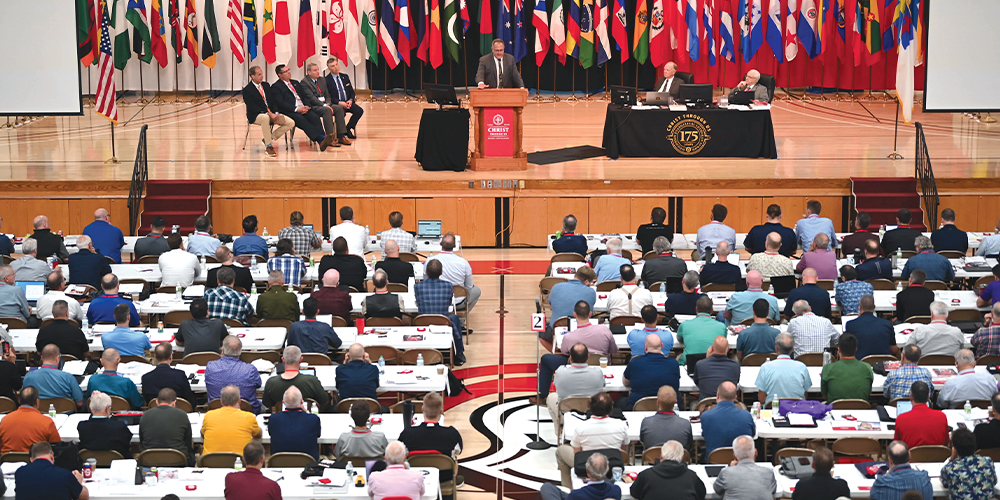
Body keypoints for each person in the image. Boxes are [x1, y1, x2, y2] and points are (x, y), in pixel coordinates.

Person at [536, 301, 618, 404]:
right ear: (590, 313)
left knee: (546, 359)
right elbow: (614, 351)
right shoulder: (605, 330)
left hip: (576, 364)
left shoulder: (569, 337)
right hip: (601, 365)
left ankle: (543, 395)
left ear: (575, 314)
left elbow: (564, 352)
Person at [554, 393, 626, 487]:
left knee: (561, 451)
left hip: (587, 464)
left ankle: (569, 489)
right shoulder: (621, 425)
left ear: (590, 407)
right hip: (613, 463)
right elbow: (624, 451)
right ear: (611, 409)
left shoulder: (581, 428)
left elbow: (577, 453)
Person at [397, 392, 463, 481]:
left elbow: (399, 454)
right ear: (441, 411)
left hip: (414, 476)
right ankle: (454, 481)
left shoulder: (407, 433)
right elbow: (458, 451)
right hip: (443, 477)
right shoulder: (452, 434)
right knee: (454, 458)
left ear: (422, 409)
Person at [268, 64, 331, 149]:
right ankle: (320, 139)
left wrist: (307, 106)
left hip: (303, 108)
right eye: (286, 71)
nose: (289, 72)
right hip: (290, 111)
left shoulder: (295, 83)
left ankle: (323, 138)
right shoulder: (276, 87)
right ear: (280, 75)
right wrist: (297, 109)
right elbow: (281, 103)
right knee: (301, 119)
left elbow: (305, 97)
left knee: (314, 117)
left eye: (289, 70)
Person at [544, 343, 605, 430]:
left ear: (571, 358)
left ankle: (560, 433)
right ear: (588, 357)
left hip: (566, 413)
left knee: (551, 397)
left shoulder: (560, 372)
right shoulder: (597, 372)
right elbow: (603, 385)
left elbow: (555, 384)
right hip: (593, 413)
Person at [241, 65, 294, 157]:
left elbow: (272, 101)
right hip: (256, 114)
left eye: (262, 74)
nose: (262, 76)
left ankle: (268, 138)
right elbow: (252, 107)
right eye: (259, 74)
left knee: (290, 122)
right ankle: (269, 146)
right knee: (265, 118)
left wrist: (276, 112)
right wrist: (268, 113)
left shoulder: (266, 85)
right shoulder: (247, 90)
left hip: (271, 113)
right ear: (252, 76)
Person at [544, 266, 597, 351]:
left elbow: (550, 303)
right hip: (582, 328)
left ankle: (559, 352)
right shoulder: (590, 292)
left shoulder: (556, 287)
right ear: (586, 281)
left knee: (541, 333)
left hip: (557, 326)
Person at [629, 440, 705, 500]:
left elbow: (634, 493)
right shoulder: (692, 477)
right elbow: (701, 494)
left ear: (661, 456)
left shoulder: (646, 475)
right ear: (682, 458)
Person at [205, 336, 263, 413]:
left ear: (222, 351)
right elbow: (258, 384)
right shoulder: (250, 370)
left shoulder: (211, 367)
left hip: (217, 412)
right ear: (240, 352)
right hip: (247, 413)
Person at [300, 61, 351, 147]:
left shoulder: (322, 80)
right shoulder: (304, 82)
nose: (318, 72)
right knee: (327, 110)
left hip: (325, 104)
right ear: (309, 72)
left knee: (338, 108)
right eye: (315, 70)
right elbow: (311, 98)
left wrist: (327, 103)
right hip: (314, 106)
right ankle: (329, 138)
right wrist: (325, 105)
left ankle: (341, 136)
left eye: (318, 70)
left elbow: (327, 94)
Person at [622, 335, 680, 410]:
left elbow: (625, 382)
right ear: (661, 346)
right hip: (668, 408)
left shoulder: (635, 362)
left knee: (620, 402)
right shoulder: (674, 364)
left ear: (645, 347)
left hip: (638, 408)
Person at [14, 441, 88, 500]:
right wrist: (78, 482)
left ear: (31, 460)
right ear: (52, 456)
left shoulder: (20, 473)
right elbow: (84, 496)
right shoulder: (64, 475)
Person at [139, 388, 195, 465]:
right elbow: (187, 441)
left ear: (156, 402)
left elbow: (142, 440)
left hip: (149, 460)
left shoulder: (145, 415)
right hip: (178, 460)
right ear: (174, 402)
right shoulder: (182, 415)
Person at [262, 346, 330, 409]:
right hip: (307, 417)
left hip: (281, 419)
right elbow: (325, 402)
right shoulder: (312, 381)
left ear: (283, 360)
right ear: (301, 359)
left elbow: (267, 405)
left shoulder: (271, 382)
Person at [427, 232, 480, 312]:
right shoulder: (464, 263)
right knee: (476, 290)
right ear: (455, 246)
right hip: (458, 302)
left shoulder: (430, 261)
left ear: (441, 244)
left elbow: (425, 281)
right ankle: (461, 318)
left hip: (435, 300)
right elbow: (469, 287)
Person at [700, 381, 756, 456]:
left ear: (717, 395)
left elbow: (705, 436)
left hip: (714, 461)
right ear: (735, 397)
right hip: (740, 459)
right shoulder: (746, 415)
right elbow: (752, 435)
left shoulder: (706, 416)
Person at [202, 385, 262, 454]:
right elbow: (258, 435)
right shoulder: (249, 417)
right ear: (239, 401)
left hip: (209, 463)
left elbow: (203, 433)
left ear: (221, 401)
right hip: (239, 463)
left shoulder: (209, 416)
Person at [713, 435, 778, 499]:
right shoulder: (768, 473)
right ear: (756, 452)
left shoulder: (726, 472)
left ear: (735, 456)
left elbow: (717, 490)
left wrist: (730, 468)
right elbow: (773, 490)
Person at [0, 387, 60, 453]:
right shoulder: (47, 422)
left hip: (7, 461)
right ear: (37, 401)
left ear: (19, 400)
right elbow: (56, 447)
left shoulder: (4, 420)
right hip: (37, 461)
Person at [267, 386, 321, 459]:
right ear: (302, 402)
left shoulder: (273, 419)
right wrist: (306, 411)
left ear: (283, 402)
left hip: (279, 463)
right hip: (308, 464)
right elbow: (318, 435)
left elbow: (271, 433)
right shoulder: (313, 419)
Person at [942, 428, 997, 500]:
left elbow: (945, 484)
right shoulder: (988, 462)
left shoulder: (949, 469)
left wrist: (952, 459)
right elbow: (994, 481)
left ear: (955, 449)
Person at [539, 452, 621, 500]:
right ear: (607, 470)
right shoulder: (616, 490)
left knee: (546, 487)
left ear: (587, 471)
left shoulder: (576, 495)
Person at [756, 333, 812, 403]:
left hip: (772, 410)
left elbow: (761, 398)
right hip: (797, 410)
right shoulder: (802, 367)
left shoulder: (766, 367)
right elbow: (804, 395)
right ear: (793, 349)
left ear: (776, 348)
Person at [77, 391, 133, 458]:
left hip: (91, 463)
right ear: (107, 408)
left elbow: (92, 423)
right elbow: (127, 442)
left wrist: (94, 402)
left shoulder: (82, 426)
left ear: (90, 408)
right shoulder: (120, 427)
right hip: (118, 463)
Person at [820, 333, 873, 403]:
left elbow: (824, 396)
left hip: (834, 410)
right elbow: (868, 393)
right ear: (856, 349)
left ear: (839, 350)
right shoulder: (867, 368)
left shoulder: (827, 368)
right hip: (861, 409)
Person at [894, 381, 949, 447]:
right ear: (928, 397)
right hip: (938, 457)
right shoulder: (942, 416)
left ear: (911, 397)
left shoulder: (901, 419)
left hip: (910, 457)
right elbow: (945, 442)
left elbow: (897, 445)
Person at [905, 301, 969, 355]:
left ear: (932, 314)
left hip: (923, 366)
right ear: (947, 316)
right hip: (950, 367)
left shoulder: (919, 331)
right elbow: (961, 352)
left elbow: (906, 351)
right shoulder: (957, 332)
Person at [676, 296, 726, 365]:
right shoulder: (722, 326)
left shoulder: (685, 325)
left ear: (696, 309)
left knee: (678, 358)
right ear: (712, 310)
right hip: (713, 363)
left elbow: (680, 339)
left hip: (689, 364)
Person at [639, 386, 692, 450]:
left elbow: (643, 442)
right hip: (678, 459)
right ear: (676, 402)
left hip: (652, 459)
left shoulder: (646, 422)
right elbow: (689, 445)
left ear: (658, 402)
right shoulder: (685, 424)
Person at [846, 295, 899, 359]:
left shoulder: (851, 325)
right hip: (883, 364)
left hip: (860, 364)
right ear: (874, 307)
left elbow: (848, 350)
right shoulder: (887, 324)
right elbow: (894, 350)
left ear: (860, 307)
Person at [325, 56, 364, 139]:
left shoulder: (345, 77)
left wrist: (350, 100)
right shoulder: (326, 80)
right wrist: (339, 103)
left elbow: (351, 92)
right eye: (333, 66)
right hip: (337, 104)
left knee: (359, 111)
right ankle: (340, 134)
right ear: (329, 68)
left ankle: (348, 128)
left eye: (336, 65)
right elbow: (328, 96)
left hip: (347, 102)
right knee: (341, 113)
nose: (336, 67)